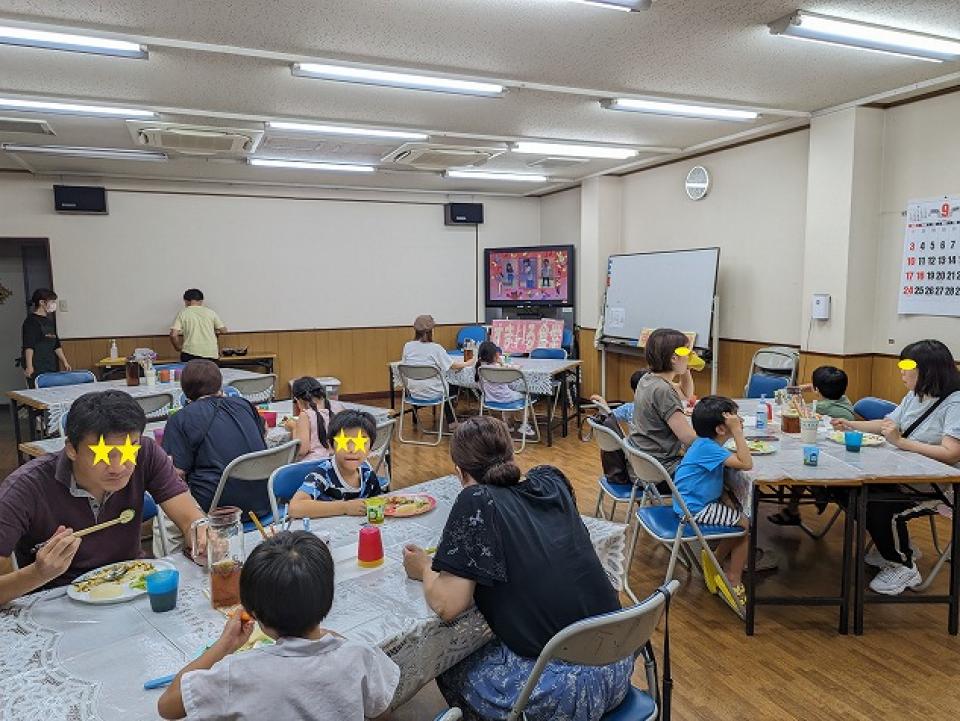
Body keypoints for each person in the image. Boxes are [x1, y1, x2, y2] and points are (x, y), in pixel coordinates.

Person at [402, 417, 631, 721]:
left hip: (565, 693)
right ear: (512, 455)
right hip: (619, 661)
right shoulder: (552, 480)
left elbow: (448, 604)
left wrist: (425, 568)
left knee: (452, 658)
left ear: (460, 472)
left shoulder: (477, 500)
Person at [158, 531, 399, 721]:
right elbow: (382, 713)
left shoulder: (238, 672)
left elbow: (168, 706)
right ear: (329, 597)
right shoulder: (359, 655)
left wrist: (225, 645)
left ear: (252, 613)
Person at [0, 391, 205, 604]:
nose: (117, 467)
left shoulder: (146, 453)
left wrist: (202, 535)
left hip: (133, 587)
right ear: (71, 449)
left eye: (127, 452)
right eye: (104, 455)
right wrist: (38, 573)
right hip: (57, 601)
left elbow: (191, 520)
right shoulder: (26, 487)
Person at [832, 339, 960, 595]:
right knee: (844, 489)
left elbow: (951, 453)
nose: (901, 371)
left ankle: (903, 564)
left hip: (932, 483)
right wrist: (848, 425)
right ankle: (894, 545)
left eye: (907, 366)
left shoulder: (954, 403)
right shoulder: (915, 395)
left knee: (875, 503)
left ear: (928, 370)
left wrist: (901, 442)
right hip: (901, 471)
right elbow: (887, 424)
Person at [161, 360, 269, 549]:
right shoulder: (244, 404)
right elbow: (264, 431)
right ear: (220, 384)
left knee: (164, 511)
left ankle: (176, 564)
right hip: (264, 500)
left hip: (216, 510)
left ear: (185, 391)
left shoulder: (180, 419)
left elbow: (175, 474)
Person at [673, 396, 753, 612]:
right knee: (745, 526)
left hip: (691, 502)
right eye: (734, 420)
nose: (739, 422)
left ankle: (714, 558)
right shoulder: (709, 448)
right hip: (694, 509)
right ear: (721, 429)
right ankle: (734, 579)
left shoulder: (704, 444)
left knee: (737, 511)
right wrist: (738, 432)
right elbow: (746, 463)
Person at [769, 366, 857, 526]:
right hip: (838, 452)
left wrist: (802, 389)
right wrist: (813, 387)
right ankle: (795, 507)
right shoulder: (845, 400)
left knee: (798, 460)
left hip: (832, 458)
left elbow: (782, 397)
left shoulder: (822, 408)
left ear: (816, 388)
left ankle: (814, 493)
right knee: (805, 457)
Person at [289, 410, 387, 518]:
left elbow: (378, 503)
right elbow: (295, 508)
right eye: (344, 443)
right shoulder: (323, 474)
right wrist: (345, 507)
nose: (352, 450)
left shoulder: (367, 472)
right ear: (331, 446)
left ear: (370, 448)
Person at [628, 328, 697, 477]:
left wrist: (685, 368)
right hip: (661, 468)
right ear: (674, 358)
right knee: (717, 468)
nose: (690, 356)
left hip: (643, 463)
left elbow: (686, 394)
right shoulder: (663, 390)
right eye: (687, 353)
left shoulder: (648, 379)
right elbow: (688, 438)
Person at [401, 314, 475, 430]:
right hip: (435, 393)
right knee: (453, 384)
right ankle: (452, 422)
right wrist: (468, 363)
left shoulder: (407, 346)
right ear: (431, 331)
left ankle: (450, 419)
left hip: (413, 392)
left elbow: (405, 365)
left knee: (445, 383)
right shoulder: (435, 348)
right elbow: (453, 366)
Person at [476, 340, 535, 437]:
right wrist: (502, 363)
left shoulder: (479, 368)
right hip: (506, 398)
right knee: (526, 395)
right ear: (496, 355)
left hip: (489, 399)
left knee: (511, 394)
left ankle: (508, 424)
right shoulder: (498, 368)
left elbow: (479, 385)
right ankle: (524, 425)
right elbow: (510, 379)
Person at [283, 377, 346, 461]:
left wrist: (294, 427)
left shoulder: (305, 416)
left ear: (297, 400)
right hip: (338, 460)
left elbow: (302, 450)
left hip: (314, 464)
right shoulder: (339, 407)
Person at [20, 288, 72, 387]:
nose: (53, 304)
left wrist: (65, 362)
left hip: (50, 364)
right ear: (42, 302)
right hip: (37, 366)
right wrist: (29, 366)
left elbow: (56, 345)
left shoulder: (49, 322)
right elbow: (29, 346)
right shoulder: (31, 322)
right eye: (52, 301)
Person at [170, 288, 226, 362]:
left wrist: (178, 348)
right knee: (211, 373)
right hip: (211, 353)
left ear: (186, 301)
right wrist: (215, 332)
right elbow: (223, 330)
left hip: (190, 353)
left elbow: (173, 334)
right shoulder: (211, 312)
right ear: (201, 301)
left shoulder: (183, 313)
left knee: (191, 374)